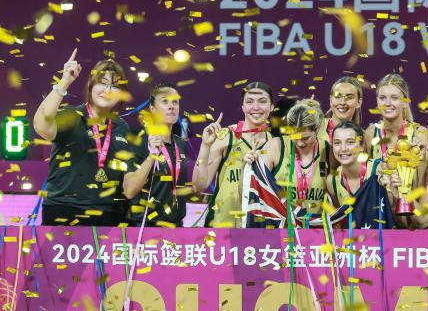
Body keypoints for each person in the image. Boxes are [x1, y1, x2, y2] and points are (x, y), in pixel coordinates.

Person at [33, 49, 133, 226]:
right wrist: (64, 81)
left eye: (115, 86)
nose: (108, 90)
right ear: (90, 85)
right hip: (64, 210)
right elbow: (41, 124)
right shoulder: (71, 116)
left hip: (109, 214)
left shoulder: (122, 127)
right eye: (102, 83)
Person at [192, 82, 274, 227]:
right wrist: (205, 146)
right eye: (249, 101)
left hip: (258, 230)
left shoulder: (274, 145)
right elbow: (198, 186)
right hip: (221, 228)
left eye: (262, 101)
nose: (256, 107)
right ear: (243, 107)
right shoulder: (226, 137)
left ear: (271, 106)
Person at [246, 99, 330, 226]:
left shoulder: (328, 151)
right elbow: (250, 193)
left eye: (306, 138)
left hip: (317, 232)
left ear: (317, 129)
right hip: (281, 232)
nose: (300, 143)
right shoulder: (276, 147)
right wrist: (246, 167)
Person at [123, 84, 189, 227]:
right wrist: (151, 156)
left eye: (175, 102)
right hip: (145, 227)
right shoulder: (139, 141)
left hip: (176, 227)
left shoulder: (180, 144)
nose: (171, 106)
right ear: (152, 109)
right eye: (165, 101)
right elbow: (129, 191)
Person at [367, 73, 428, 208]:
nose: (387, 103)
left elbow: (425, 187)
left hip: (411, 214)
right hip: (379, 215)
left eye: (394, 98)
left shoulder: (419, 135)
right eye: (382, 98)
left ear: (405, 102)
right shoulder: (370, 134)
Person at [320, 75, 365, 143]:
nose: (342, 102)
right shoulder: (316, 129)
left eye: (349, 97)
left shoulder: (364, 138)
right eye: (338, 97)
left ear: (359, 102)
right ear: (331, 100)